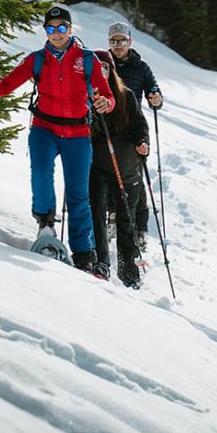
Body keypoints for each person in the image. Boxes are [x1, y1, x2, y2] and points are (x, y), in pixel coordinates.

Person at [0, 5, 114, 272]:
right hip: (44, 128)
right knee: (41, 174)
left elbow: (107, 95)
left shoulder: (87, 60)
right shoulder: (36, 59)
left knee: (78, 195)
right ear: (45, 31)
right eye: (51, 28)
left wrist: (106, 104)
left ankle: (84, 255)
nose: (56, 33)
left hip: (78, 133)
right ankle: (45, 225)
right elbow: (4, 86)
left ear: (70, 29)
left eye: (62, 28)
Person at [89, 49, 149, 288]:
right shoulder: (87, 95)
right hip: (98, 166)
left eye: (105, 67)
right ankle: (100, 263)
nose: (101, 71)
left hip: (125, 166)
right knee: (96, 214)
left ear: (111, 70)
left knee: (126, 220)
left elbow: (139, 125)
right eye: (96, 67)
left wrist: (142, 142)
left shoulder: (126, 95)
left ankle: (130, 274)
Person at [107, 21, 163, 250]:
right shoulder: (103, 63)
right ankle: (112, 215)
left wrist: (156, 98)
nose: (118, 45)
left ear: (130, 42)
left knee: (136, 177)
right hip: (107, 124)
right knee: (108, 170)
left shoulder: (141, 66)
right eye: (113, 41)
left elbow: (154, 89)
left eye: (122, 40)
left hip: (133, 127)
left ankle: (140, 228)